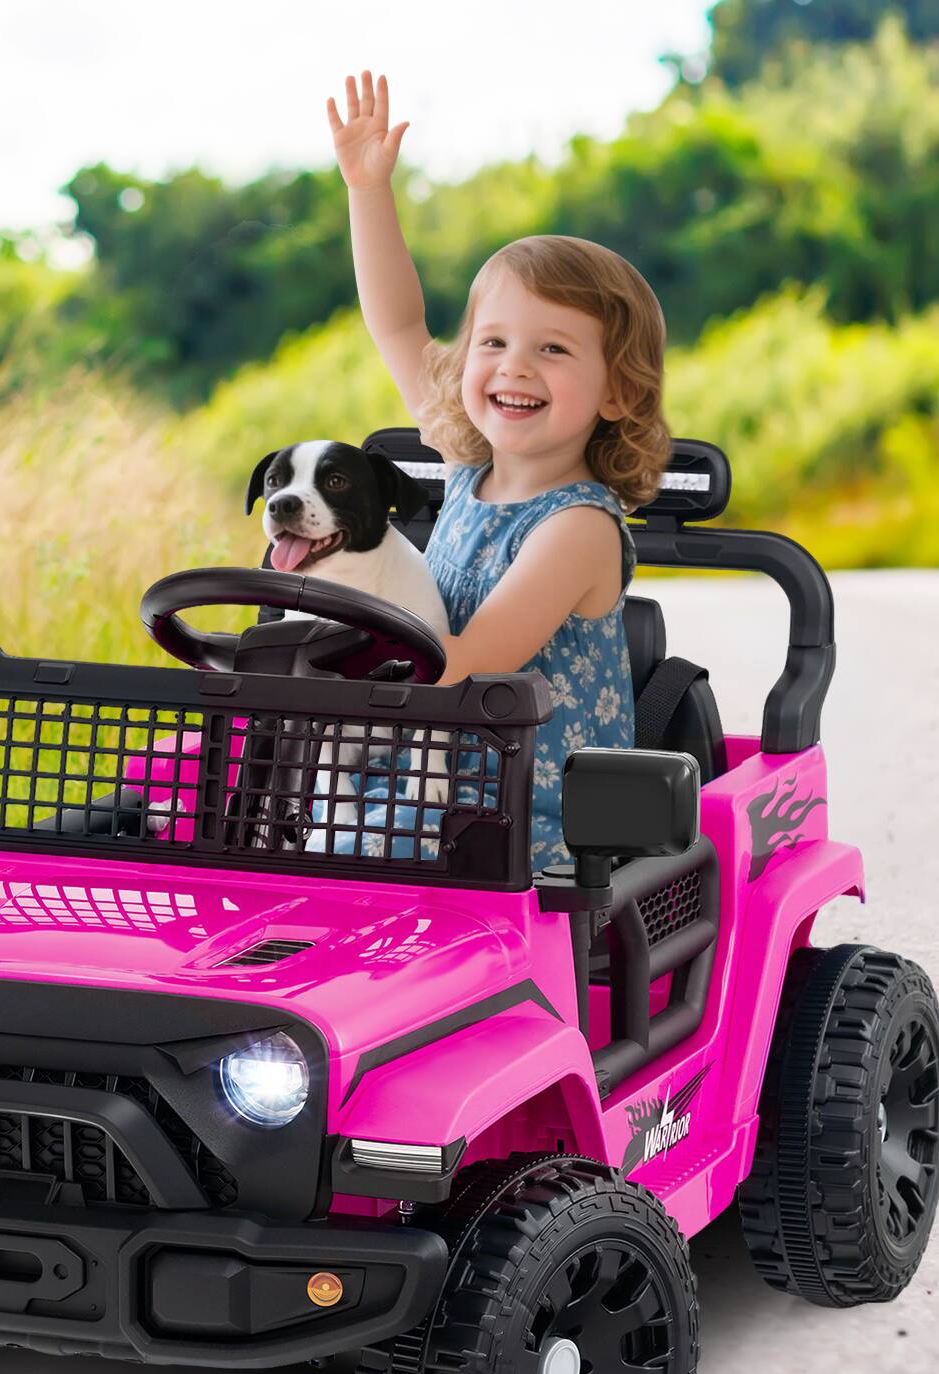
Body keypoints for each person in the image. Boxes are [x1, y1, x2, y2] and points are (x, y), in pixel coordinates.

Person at [325, 70, 673, 869]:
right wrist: (367, 189)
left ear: (619, 389)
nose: (513, 368)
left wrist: (321, 682)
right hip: (419, 783)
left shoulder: (579, 528)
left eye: (552, 349)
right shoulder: (461, 465)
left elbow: (464, 668)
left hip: (523, 817)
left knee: (337, 846)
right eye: (494, 343)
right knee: (235, 825)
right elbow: (398, 321)